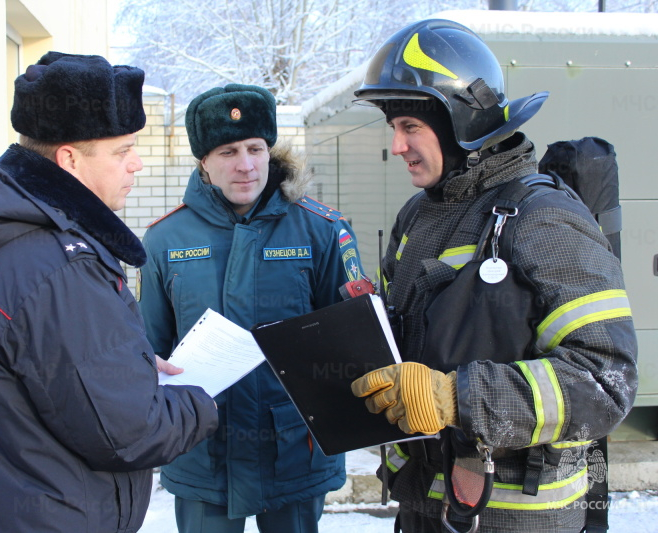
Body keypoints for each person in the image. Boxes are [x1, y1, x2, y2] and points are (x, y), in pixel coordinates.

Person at [349, 19, 638, 533]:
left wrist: (456, 398)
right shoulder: (417, 215)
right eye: (393, 127)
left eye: (410, 127)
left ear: (461, 122)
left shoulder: (545, 218)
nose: (396, 146)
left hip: (513, 518)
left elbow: (604, 379)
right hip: (423, 505)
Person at [0, 52, 219, 533]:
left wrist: (121, 366)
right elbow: (129, 432)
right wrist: (205, 399)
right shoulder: (60, 267)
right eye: (121, 150)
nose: (137, 163)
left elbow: (34, 365)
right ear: (68, 158)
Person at [137, 84, 365, 532]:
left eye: (255, 148)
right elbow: (150, 349)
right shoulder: (165, 240)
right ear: (203, 160)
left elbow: (352, 345)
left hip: (295, 451)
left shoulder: (322, 230)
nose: (245, 165)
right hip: (203, 451)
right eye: (227, 151)